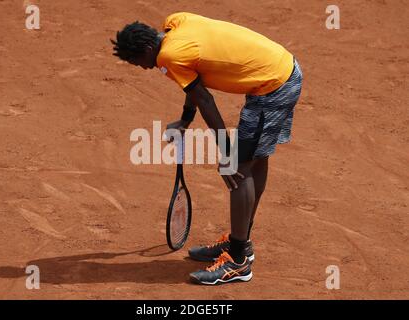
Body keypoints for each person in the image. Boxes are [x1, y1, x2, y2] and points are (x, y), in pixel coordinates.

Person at [111, 12, 303, 285]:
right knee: (254, 160)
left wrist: (227, 154)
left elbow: (206, 100)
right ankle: (240, 242)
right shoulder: (175, 23)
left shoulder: (167, 57)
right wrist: (186, 119)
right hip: (281, 70)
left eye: (137, 61)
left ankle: (238, 261)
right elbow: (193, 82)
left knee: (237, 168)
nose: (142, 68)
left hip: (273, 86)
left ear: (147, 49)